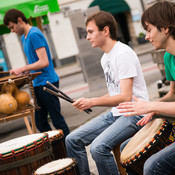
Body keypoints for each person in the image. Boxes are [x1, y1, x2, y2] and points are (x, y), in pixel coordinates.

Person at [65, 11, 149, 175]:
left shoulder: (123, 53)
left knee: (98, 148)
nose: (87, 36)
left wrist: (92, 102)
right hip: (117, 113)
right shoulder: (105, 58)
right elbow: (114, 93)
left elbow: (125, 97)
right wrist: (87, 101)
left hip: (134, 113)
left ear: (105, 31)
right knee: (72, 140)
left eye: (90, 31)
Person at [117, 1, 175, 174]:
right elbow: (173, 92)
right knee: (126, 149)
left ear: (165, 28)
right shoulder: (168, 57)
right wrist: (154, 109)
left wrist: (152, 106)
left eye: (149, 29)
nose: (147, 36)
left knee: (152, 166)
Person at [3, 9, 70, 137]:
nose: (12, 31)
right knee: (40, 122)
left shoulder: (34, 34)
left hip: (47, 82)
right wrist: (25, 71)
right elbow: (36, 62)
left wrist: (22, 68)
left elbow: (44, 62)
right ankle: (55, 146)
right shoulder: (24, 37)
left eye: (12, 27)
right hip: (37, 83)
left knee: (57, 120)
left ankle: (70, 147)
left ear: (20, 20)